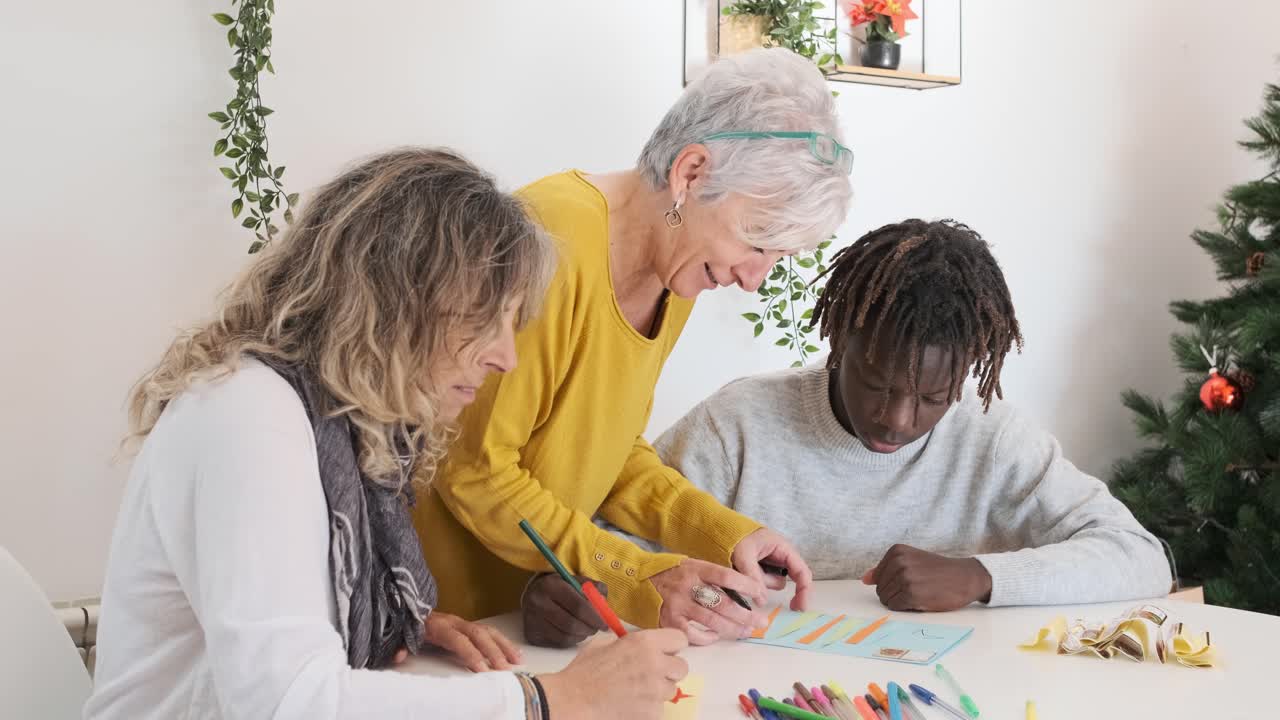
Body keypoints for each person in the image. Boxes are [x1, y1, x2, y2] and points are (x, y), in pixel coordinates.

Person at [84, 148, 690, 720]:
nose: (506, 357)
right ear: (401, 300)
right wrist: (550, 700)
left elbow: (280, 627)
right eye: (489, 320)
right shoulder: (248, 416)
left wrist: (389, 624)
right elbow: (289, 702)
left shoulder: (332, 421)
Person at [414, 47, 853, 646]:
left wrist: (723, 534)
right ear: (690, 174)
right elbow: (472, 467)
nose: (755, 279)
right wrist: (629, 573)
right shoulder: (552, 241)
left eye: (778, 258)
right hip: (444, 625)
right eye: (758, 241)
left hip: (531, 631)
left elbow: (606, 450)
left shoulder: (678, 274)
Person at [648, 219, 1172, 616]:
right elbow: (604, 542)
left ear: (966, 375)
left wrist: (979, 576)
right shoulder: (739, 425)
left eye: (932, 398)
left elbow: (1140, 557)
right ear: (837, 343)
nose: (896, 420)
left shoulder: (991, 438)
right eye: (876, 385)